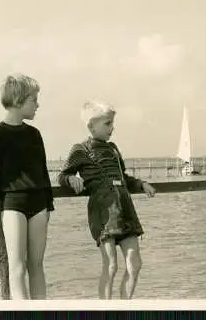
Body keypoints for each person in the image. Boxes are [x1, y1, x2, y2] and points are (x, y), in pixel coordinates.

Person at [58, 101, 156, 299]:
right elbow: (61, 176)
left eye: (112, 123)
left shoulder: (113, 149)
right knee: (111, 265)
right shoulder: (80, 149)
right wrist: (71, 179)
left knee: (135, 263)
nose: (112, 128)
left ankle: (124, 304)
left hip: (125, 209)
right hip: (103, 212)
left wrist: (141, 184)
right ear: (91, 126)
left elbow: (124, 178)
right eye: (108, 124)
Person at [0, 74, 54, 300]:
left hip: (39, 204)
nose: (37, 104)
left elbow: (42, 172)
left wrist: (49, 205)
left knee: (37, 266)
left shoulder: (35, 135)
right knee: (17, 267)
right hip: (13, 205)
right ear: (19, 100)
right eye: (34, 99)